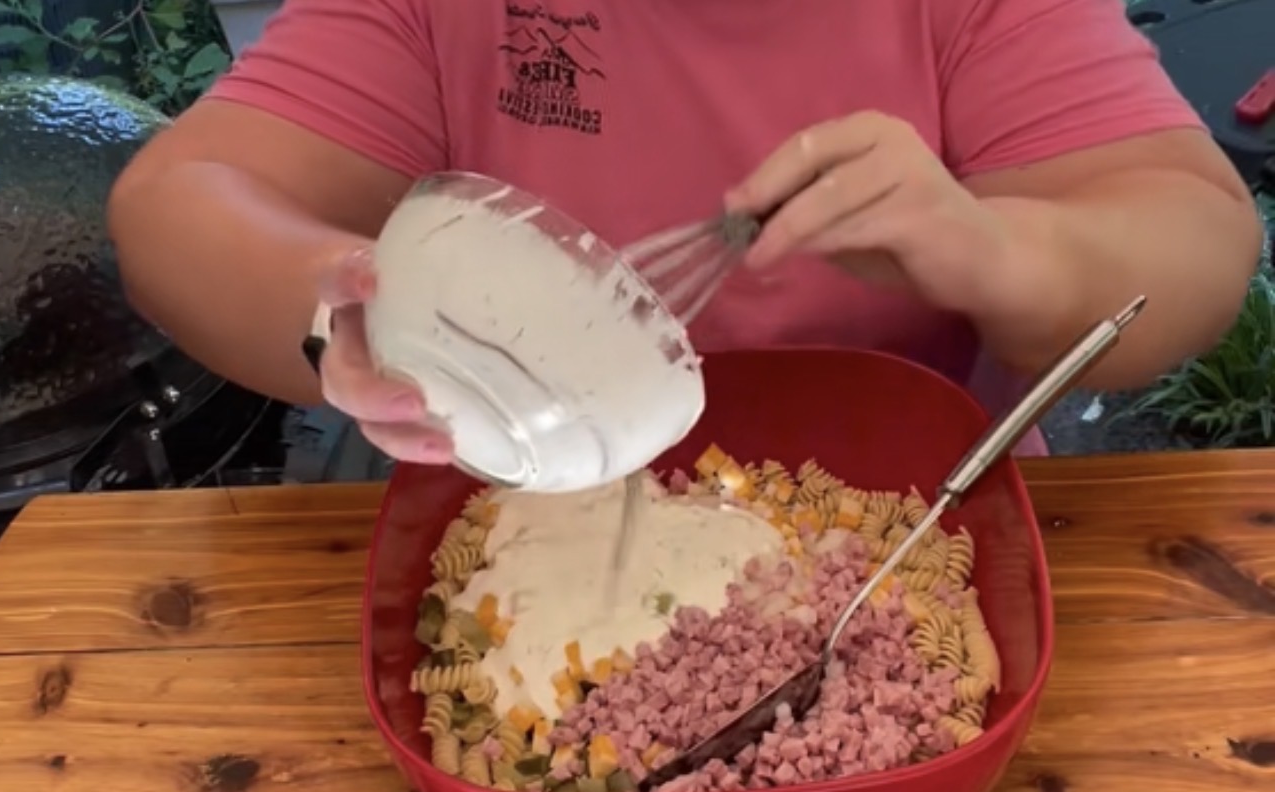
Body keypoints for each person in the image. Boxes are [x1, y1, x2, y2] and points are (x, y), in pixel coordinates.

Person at [107, 0, 1263, 464]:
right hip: (516, 518)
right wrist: (331, 304)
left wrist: (997, 249)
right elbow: (178, 200)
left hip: (911, 525)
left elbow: (1195, 232)